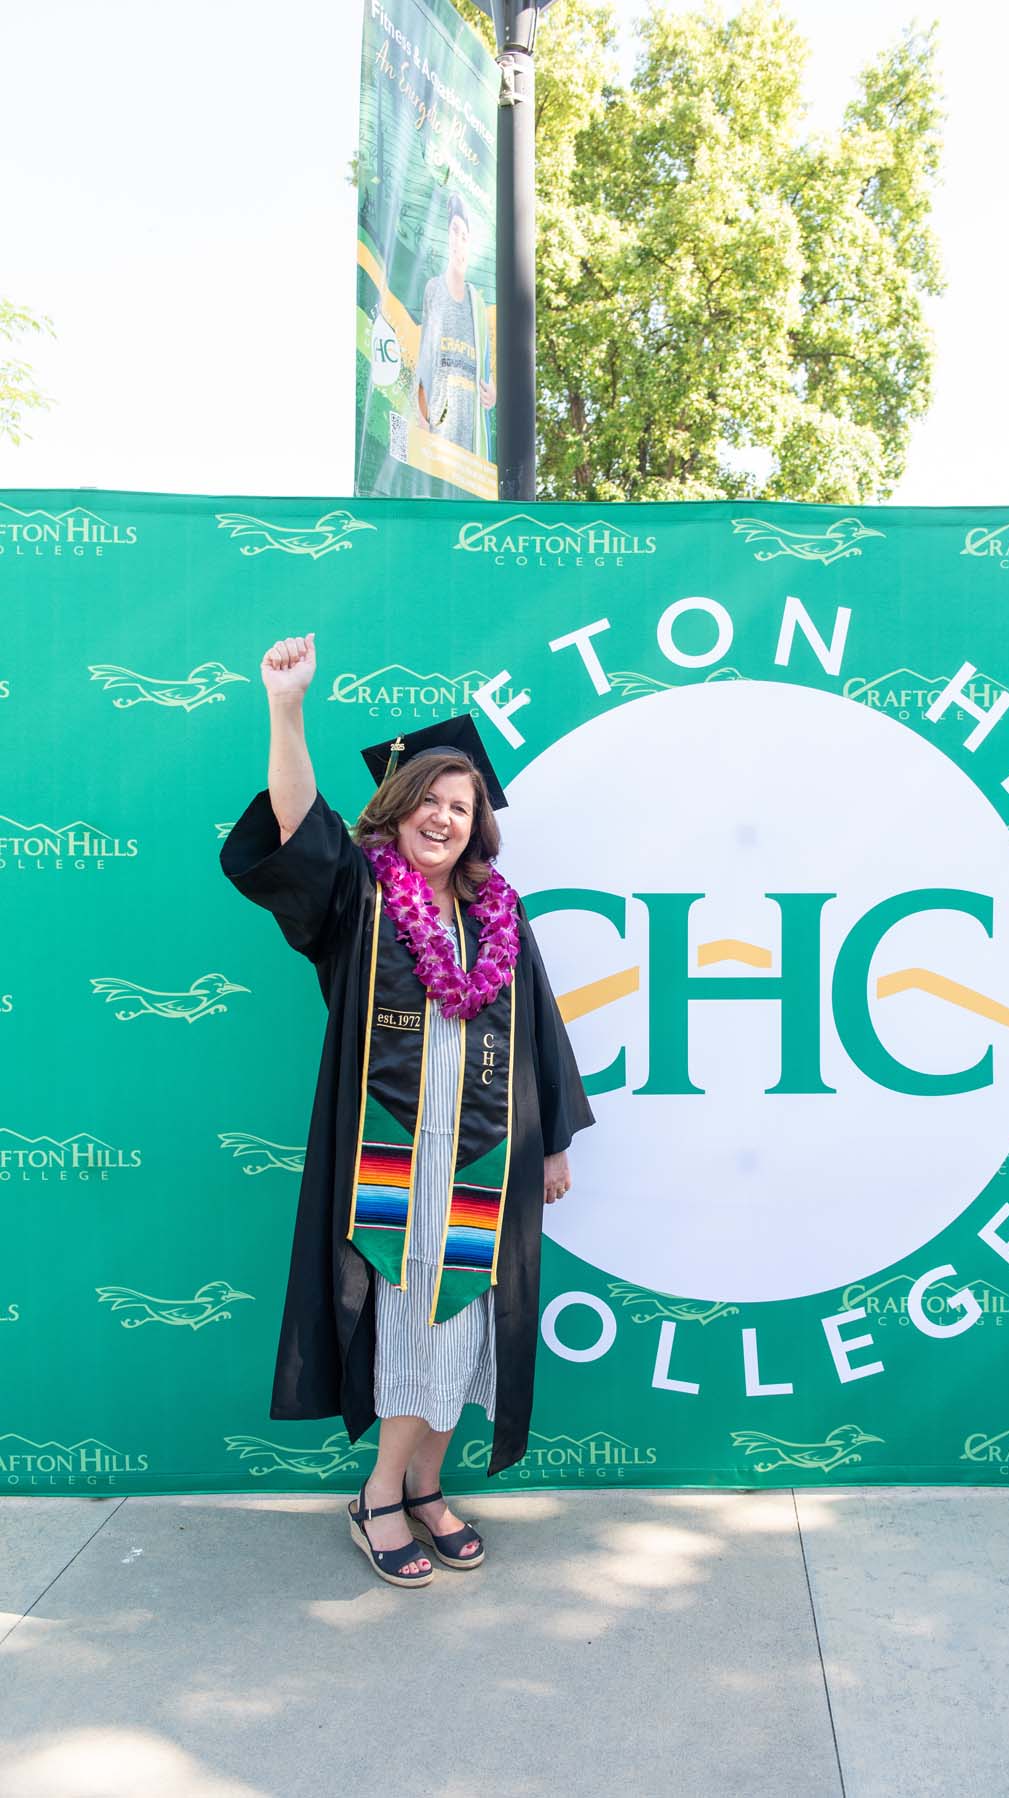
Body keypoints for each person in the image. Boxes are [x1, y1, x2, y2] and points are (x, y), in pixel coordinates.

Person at [220, 632, 593, 1587]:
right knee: (410, 1318)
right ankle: (379, 1496)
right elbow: (299, 827)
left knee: (465, 1325)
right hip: (388, 1155)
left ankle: (426, 1485)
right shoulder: (357, 894)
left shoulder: (500, 920)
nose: (445, 817)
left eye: (462, 806)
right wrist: (288, 709)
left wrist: (550, 1149)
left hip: (484, 1154)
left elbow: (541, 1036)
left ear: (481, 825)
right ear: (396, 809)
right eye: (428, 799)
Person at [414, 193, 496, 459]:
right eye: (455, 231)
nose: (459, 242)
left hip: (472, 449)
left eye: (465, 236)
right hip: (439, 436)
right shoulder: (434, 289)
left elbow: (486, 369)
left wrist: (493, 392)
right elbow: (425, 362)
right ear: (447, 235)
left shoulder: (478, 304)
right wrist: (423, 418)